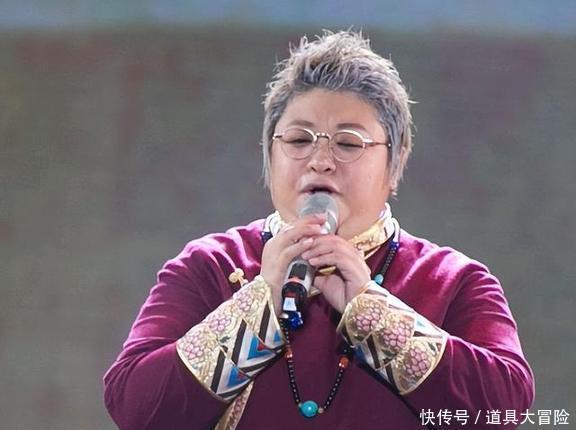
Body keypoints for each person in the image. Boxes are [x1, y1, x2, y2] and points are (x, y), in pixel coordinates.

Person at [104, 30, 534, 429]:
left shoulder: (453, 280)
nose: (321, 161)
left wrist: (373, 313)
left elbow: (505, 409)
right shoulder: (210, 265)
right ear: (269, 157)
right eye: (298, 140)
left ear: (396, 163)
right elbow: (136, 408)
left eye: (348, 143)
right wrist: (261, 303)